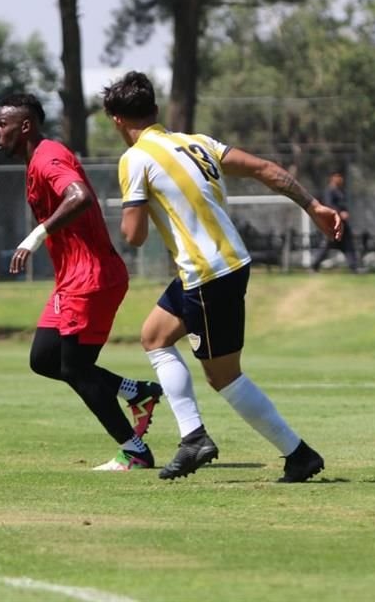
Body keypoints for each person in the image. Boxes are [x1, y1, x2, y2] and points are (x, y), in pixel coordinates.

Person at [102, 71, 342, 482]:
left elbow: (134, 235)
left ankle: (297, 453)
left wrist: (131, 211)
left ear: (116, 121)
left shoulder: (134, 159)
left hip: (208, 274)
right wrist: (313, 205)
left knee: (223, 377)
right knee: (155, 337)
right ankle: (193, 435)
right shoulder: (198, 143)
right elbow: (266, 169)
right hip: (217, 266)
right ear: (155, 111)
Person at [0, 93, 163, 472]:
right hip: (73, 278)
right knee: (44, 359)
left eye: (2, 124)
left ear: (26, 126)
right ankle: (137, 392)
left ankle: (134, 450)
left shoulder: (48, 156)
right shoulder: (37, 159)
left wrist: (36, 235)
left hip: (90, 278)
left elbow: (80, 196)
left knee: (74, 368)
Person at [311, 170, 360, 273]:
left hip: (343, 224)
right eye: (338, 176)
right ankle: (314, 265)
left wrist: (345, 213)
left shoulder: (341, 191)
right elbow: (329, 206)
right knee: (327, 245)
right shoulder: (329, 191)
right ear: (332, 178)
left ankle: (354, 267)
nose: (340, 179)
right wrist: (340, 213)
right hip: (333, 224)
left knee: (348, 245)